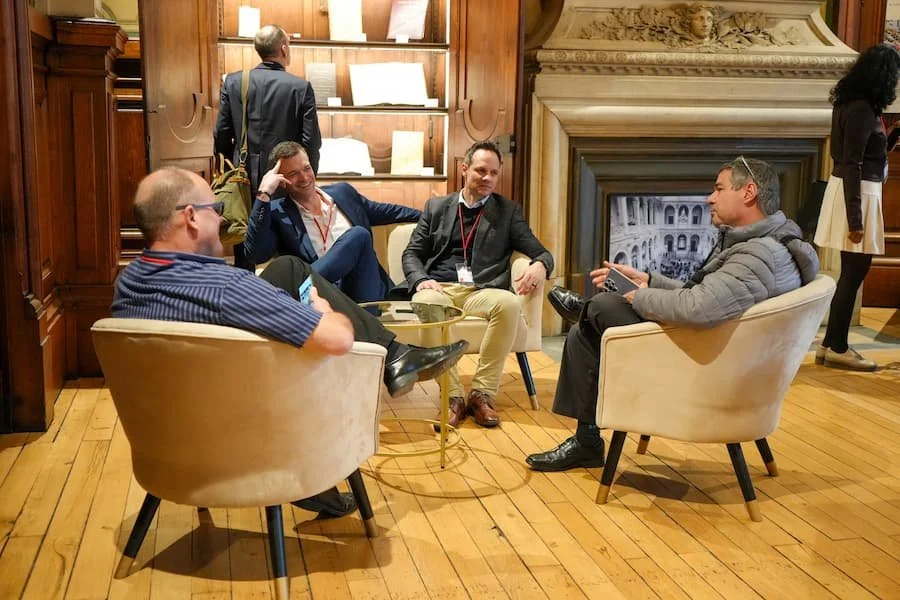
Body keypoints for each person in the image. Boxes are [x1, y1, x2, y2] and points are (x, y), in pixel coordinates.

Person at [112, 167, 467, 516]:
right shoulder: (228, 288)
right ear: (190, 217)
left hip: (169, 444)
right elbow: (338, 339)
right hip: (259, 441)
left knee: (287, 268)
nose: (221, 220)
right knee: (317, 328)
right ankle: (392, 362)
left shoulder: (128, 285)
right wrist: (323, 310)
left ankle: (396, 358)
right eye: (216, 210)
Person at [532, 157, 819, 472]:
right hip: (717, 348)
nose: (709, 198)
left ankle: (584, 318)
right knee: (587, 327)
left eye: (719, 189)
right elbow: (711, 295)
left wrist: (639, 295)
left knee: (602, 308)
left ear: (748, 192)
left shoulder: (758, 255)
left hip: (706, 366)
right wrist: (649, 281)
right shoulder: (765, 245)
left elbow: (697, 307)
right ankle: (585, 321)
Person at [402, 141, 554, 428]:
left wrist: (540, 265)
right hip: (441, 288)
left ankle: (481, 394)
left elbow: (542, 251)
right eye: (481, 171)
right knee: (427, 303)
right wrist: (422, 280)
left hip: (481, 290)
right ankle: (453, 397)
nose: (488, 178)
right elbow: (412, 253)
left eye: (494, 173)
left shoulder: (507, 212)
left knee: (509, 303)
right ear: (464, 169)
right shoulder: (436, 207)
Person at [244, 142, 421, 303]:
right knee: (359, 235)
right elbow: (255, 254)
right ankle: (303, 288)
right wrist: (263, 194)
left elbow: (391, 212)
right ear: (281, 181)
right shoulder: (278, 213)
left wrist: (434, 215)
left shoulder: (343, 193)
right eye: (293, 174)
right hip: (323, 297)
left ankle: (298, 288)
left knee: (358, 236)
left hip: (365, 291)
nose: (304, 178)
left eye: (306, 168)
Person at [814, 43, 900, 371]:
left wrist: (888, 136)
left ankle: (830, 344)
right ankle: (837, 345)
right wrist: (856, 219)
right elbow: (853, 163)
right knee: (854, 273)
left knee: (851, 273)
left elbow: (865, 154)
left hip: (853, 189)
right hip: (859, 194)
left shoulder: (851, 102)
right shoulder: (864, 108)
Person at [214, 24, 323, 269]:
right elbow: (311, 141)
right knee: (290, 246)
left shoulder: (233, 82)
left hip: (244, 182)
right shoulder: (300, 87)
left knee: (247, 246)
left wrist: (230, 167)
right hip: (287, 178)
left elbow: (221, 133)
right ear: (284, 49)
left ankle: (246, 299)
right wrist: (306, 177)